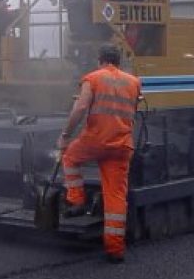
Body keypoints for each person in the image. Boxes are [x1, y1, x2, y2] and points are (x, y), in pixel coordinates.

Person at [57, 44, 141, 263]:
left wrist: (66, 134)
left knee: (70, 157)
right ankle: (115, 250)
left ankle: (76, 199)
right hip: (122, 145)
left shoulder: (92, 78)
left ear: (100, 60)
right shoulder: (134, 82)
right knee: (115, 197)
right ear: (118, 61)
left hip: (95, 140)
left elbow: (81, 107)